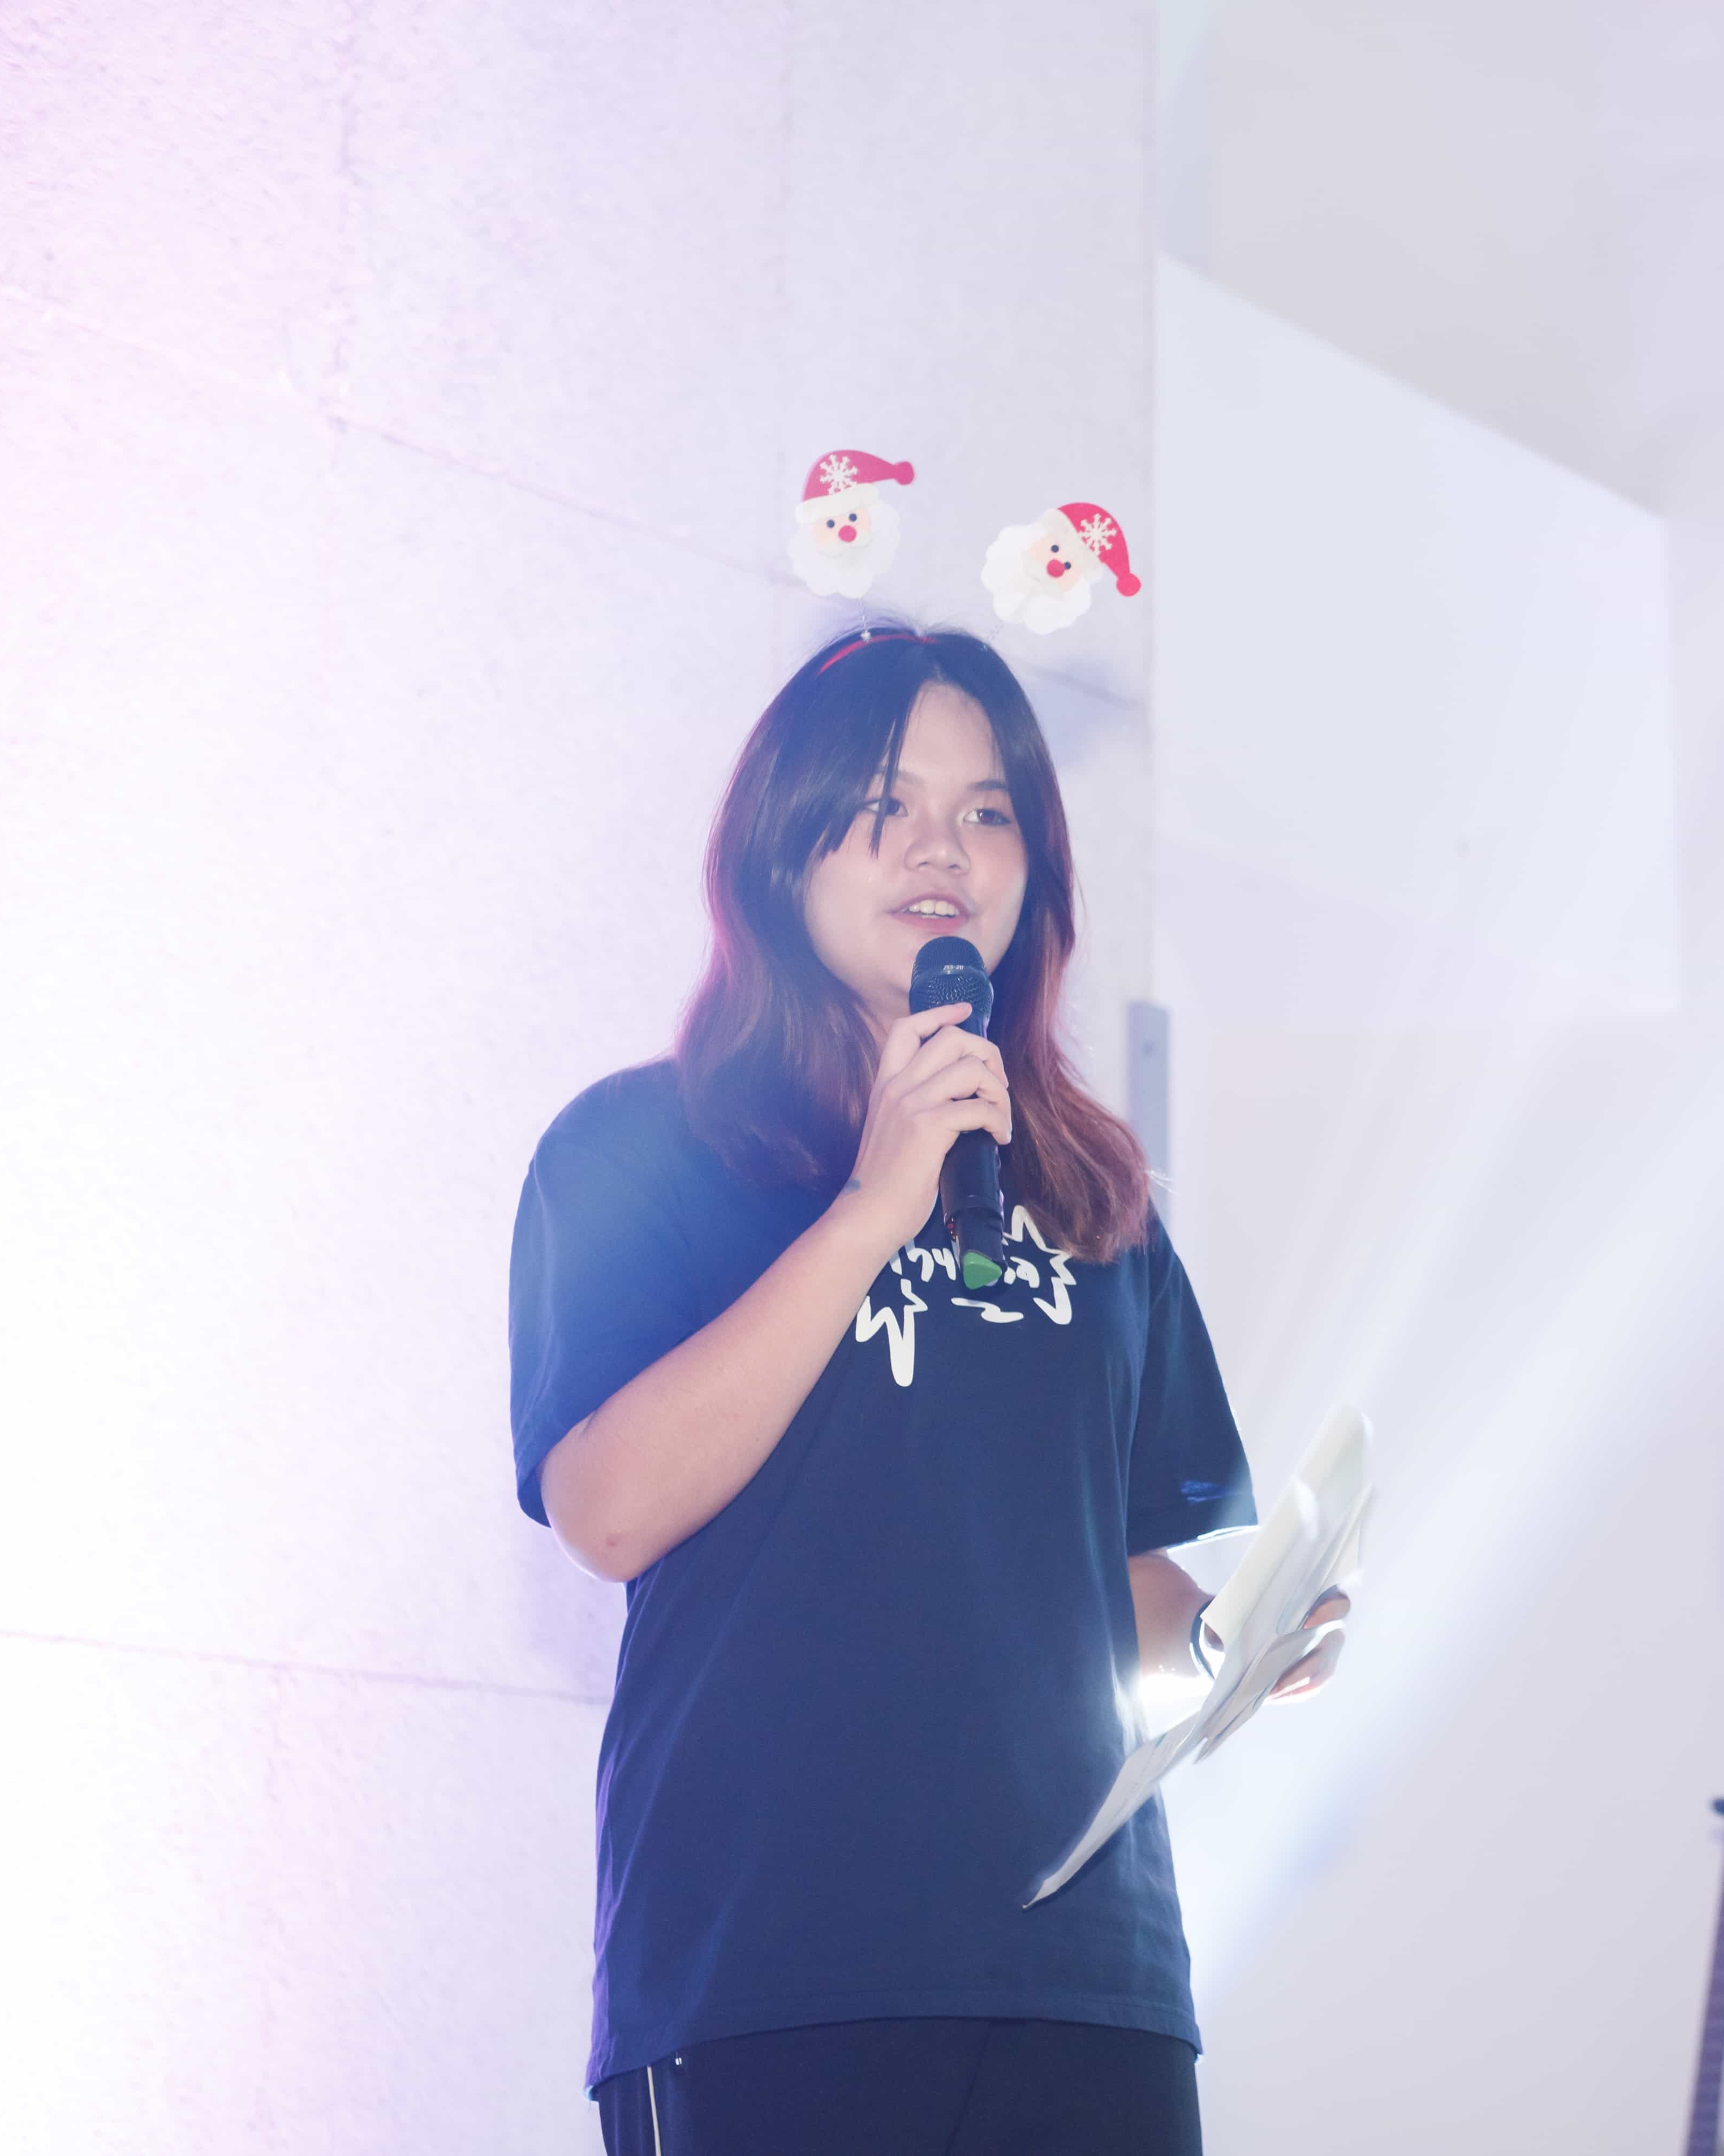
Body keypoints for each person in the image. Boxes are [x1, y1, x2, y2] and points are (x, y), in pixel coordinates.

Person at [509, 625, 1340, 2155]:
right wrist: (871, 1207)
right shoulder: (643, 1147)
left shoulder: (1093, 1195)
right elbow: (609, 1513)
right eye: (885, 803)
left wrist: (1239, 1636)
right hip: (774, 1967)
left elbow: (1102, 1572)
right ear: (783, 847)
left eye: (988, 810)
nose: (940, 849)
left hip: (1089, 1979)